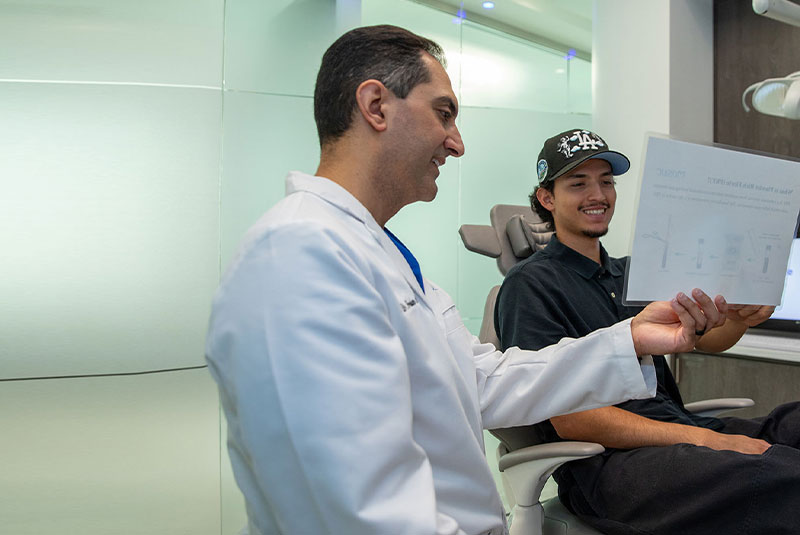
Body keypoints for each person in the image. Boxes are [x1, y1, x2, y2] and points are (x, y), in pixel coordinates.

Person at [205, 28, 728, 535]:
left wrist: (631, 338)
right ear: (375, 105)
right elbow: (359, 511)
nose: (456, 144)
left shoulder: (377, 254)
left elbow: (482, 381)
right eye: (443, 113)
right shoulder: (300, 254)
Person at [495, 128, 800, 535]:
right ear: (547, 198)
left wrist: (741, 319)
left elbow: (709, 339)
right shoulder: (529, 285)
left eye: (606, 181)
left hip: (678, 431)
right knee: (783, 475)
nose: (597, 194)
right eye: (578, 183)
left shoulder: (632, 274)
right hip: (613, 465)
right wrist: (710, 441)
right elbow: (575, 419)